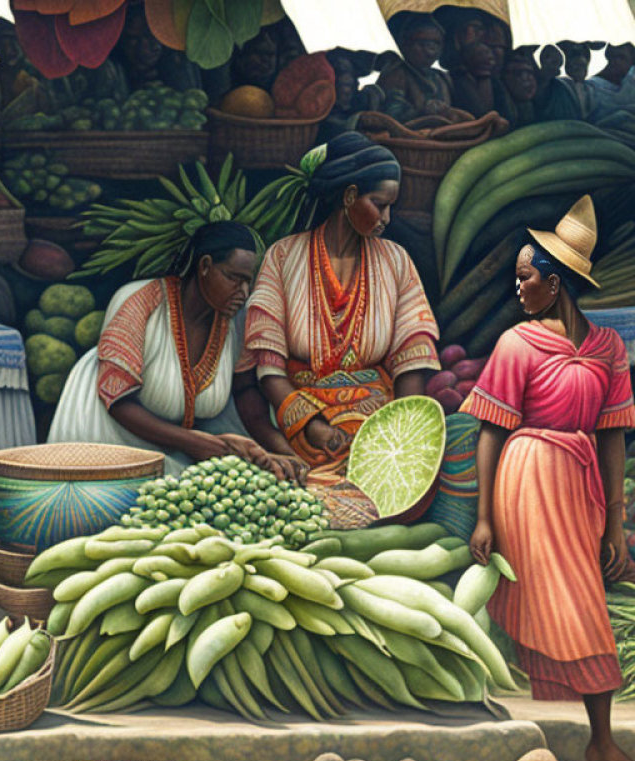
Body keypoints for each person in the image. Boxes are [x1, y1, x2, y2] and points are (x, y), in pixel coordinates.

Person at [465, 195, 635, 761]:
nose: (518, 289)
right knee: (576, 606)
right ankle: (601, 741)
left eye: (525, 277)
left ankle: (582, 741)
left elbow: (612, 437)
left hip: (578, 485)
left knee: (577, 597)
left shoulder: (609, 349)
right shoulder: (517, 343)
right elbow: (491, 431)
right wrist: (484, 517)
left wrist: (614, 522)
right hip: (528, 479)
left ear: (555, 283)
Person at [242, 132, 441, 484]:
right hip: (303, 426)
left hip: (380, 425)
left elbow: (412, 357)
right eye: (380, 204)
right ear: (349, 196)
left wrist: (402, 435)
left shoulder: (396, 261)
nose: (387, 218)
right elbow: (268, 367)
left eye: (391, 206)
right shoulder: (283, 256)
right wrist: (315, 427)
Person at [49, 222, 306, 482]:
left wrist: (284, 451)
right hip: (108, 447)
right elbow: (118, 402)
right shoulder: (139, 302)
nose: (243, 293)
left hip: (177, 453)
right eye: (233, 278)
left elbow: (245, 391)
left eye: (247, 282)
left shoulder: (234, 321)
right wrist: (197, 443)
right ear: (204, 266)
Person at [377, 13, 453, 123]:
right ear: (405, 43)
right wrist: (421, 111)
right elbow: (390, 115)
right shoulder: (396, 74)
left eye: (436, 43)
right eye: (423, 43)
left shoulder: (442, 77)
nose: (430, 51)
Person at [559, 41, 597, 120]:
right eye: (576, 66)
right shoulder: (561, 85)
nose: (580, 69)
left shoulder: (592, 88)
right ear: (568, 68)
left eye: (582, 66)